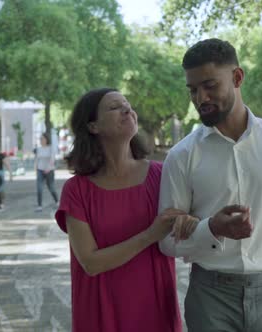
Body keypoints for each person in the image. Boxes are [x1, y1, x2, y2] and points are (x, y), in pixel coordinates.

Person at [159, 38, 262, 332]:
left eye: (209, 85)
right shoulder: (181, 155)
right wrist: (211, 228)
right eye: (193, 90)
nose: (200, 98)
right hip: (210, 298)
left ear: (237, 77)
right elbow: (167, 240)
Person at [54, 88, 185, 332]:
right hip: (100, 313)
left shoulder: (162, 174)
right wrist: (150, 235)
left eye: (127, 104)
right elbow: (91, 262)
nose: (127, 110)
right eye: (115, 107)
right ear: (93, 126)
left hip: (154, 309)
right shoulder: (76, 190)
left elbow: (189, 227)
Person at [34, 133, 58, 212]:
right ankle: (39, 206)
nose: (41, 140)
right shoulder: (39, 149)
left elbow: (52, 159)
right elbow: (37, 159)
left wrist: (48, 168)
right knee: (39, 188)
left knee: (51, 187)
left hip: (49, 170)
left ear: (46, 139)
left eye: (42, 139)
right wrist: (36, 169)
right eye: (40, 139)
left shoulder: (50, 148)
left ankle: (57, 201)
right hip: (40, 170)